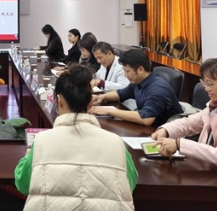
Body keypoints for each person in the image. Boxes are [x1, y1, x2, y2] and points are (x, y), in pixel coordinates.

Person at [14, 65, 137, 210]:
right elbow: (129, 183)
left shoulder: (42, 141)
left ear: (59, 100)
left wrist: (27, 157)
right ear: (90, 103)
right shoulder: (116, 142)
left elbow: (23, 183)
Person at [152, 58, 217, 211]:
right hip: (209, 176)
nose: (206, 89)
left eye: (210, 84)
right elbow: (189, 123)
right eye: (204, 83)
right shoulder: (215, 106)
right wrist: (165, 130)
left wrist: (180, 144)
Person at [92, 49, 183, 126]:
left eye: (127, 71)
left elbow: (146, 119)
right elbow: (121, 93)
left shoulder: (158, 89)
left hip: (163, 132)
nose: (125, 75)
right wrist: (101, 97)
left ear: (141, 70)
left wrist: (109, 111)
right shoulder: (138, 81)